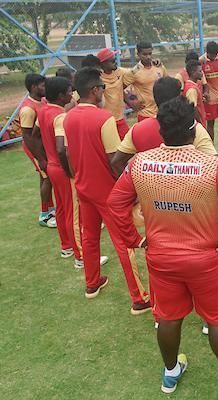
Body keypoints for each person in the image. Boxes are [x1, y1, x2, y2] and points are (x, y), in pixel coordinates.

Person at [107, 96, 218, 399]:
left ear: (161, 131)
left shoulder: (139, 163)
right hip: (207, 258)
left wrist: (135, 240)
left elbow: (115, 203)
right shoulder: (212, 164)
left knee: (167, 316)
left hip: (161, 258)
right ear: (195, 129)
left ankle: (170, 374)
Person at [63, 67, 150, 314]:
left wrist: (78, 176)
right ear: (94, 90)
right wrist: (127, 191)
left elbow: (69, 154)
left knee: (90, 237)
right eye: (102, 87)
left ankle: (92, 284)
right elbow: (115, 161)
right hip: (107, 193)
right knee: (124, 243)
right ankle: (139, 298)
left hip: (84, 189)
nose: (105, 90)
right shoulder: (103, 119)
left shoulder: (68, 117)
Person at [111, 76, 216, 176]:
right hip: (188, 192)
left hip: (150, 193)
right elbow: (214, 166)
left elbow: (116, 162)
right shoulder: (192, 127)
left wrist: (134, 187)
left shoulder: (137, 130)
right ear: (178, 97)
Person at [36, 77, 87, 267]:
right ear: (59, 95)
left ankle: (66, 247)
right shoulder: (60, 116)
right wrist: (70, 172)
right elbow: (61, 149)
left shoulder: (43, 111)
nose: (71, 94)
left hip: (52, 167)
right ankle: (81, 257)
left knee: (62, 209)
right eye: (68, 91)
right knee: (74, 213)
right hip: (62, 169)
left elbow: (35, 136)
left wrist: (43, 158)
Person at [15, 73, 55, 228]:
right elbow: (27, 136)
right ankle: (44, 215)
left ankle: (50, 210)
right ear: (33, 87)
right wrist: (41, 158)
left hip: (43, 146)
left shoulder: (42, 101)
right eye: (43, 86)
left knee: (46, 177)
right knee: (47, 177)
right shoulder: (27, 109)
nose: (46, 88)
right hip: (34, 148)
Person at [123, 42, 168, 122]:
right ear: (138, 54)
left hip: (162, 112)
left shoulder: (159, 66)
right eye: (145, 54)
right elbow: (119, 88)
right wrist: (130, 103)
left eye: (150, 54)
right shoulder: (134, 72)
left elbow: (168, 83)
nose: (148, 57)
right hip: (145, 114)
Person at [96, 47, 134, 138]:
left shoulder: (120, 72)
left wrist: (153, 63)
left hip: (120, 119)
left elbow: (135, 72)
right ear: (103, 63)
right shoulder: (97, 78)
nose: (115, 62)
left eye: (115, 59)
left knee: (127, 143)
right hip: (105, 121)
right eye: (112, 60)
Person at [182, 60, 207, 126]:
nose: (202, 73)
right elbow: (193, 108)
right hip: (197, 125)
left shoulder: (190, 85)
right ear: (193, 72)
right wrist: (199, 124)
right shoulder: (192, 89)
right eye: (200, 71)